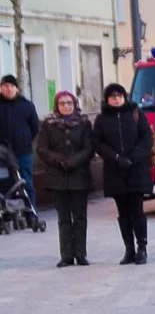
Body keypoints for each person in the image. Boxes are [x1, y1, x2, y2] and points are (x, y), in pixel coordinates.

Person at [93, 83, 153, 265]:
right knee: (123, 212)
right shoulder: (101, 119)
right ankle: (129, 249)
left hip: (136, 169)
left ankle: (142, 247)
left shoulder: (135, 113)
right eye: (112, 96)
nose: (116, 99)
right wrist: (116, 157)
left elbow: (146, 139)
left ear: (124, 97)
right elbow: (97, 143)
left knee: (137, 210)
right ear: (107, 99)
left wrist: (132, 158)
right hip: (115, 171)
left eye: (119, 95)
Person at [35, 91, 93, 267]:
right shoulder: (47, 124)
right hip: (57, 176)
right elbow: (42, 149)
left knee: (80, 217)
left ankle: (81, 253)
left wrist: (73, 162)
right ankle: (66, 255)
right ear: (56, 105)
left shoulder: (84, 123)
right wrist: (59, 161)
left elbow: (89, 148)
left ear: (75, 104)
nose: (66, 106)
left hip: (79, 175)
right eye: (62, 103)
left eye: (69, 103)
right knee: (64, 218)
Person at [0, 74, 41, 212]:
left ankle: (30, 212)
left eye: (12, 86)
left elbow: (35, 127)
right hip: (2, 153)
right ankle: (6, 213)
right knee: (4, 182)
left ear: (16, 88)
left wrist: (25, 139)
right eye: (5, 86)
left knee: (26, 182)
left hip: (23, 151)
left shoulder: (26, 105)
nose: (9, 89)